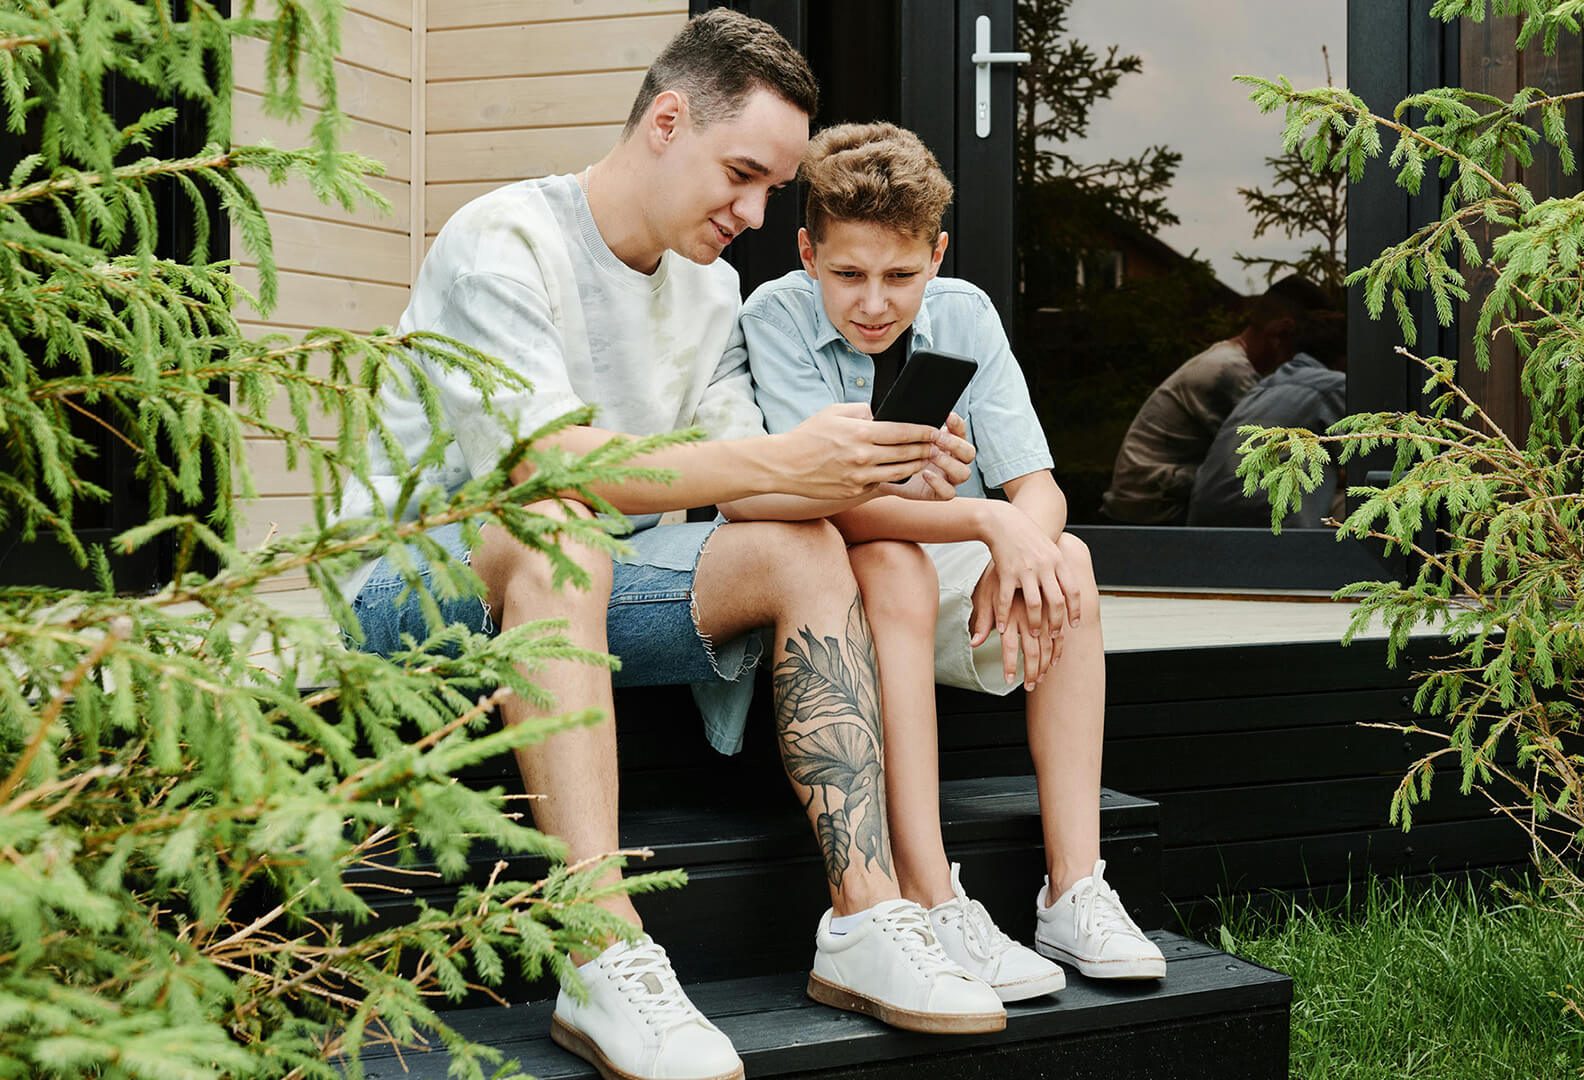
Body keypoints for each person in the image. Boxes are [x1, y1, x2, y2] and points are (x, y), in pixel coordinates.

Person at [337, 15, 1006, 1080]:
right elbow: (547, 465)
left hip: (601, 590)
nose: (749, 215)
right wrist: (782, 462)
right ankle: (601, 948)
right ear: (665, 120)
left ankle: (865, 919)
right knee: (556, 522)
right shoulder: (503, 238)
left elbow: (744, 463)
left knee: (800, 547)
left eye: (769, 191)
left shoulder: (707, 288)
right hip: (420, 593)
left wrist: (869, 469)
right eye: (740, 175)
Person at [736, 122, 1166, 1005]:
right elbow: (823, 501)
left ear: (935, 253)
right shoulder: (771, 319)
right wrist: (977, 517)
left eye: (900, 275)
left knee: (1069, 561)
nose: (872, 303)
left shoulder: (965, 312)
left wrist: (1022, 543)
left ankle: (1073, 887)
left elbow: (1036, 486)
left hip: (938, 582)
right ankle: (932, 895)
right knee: (896, 555)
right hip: (841, 596)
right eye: (847, 274)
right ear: (808, 250)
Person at [1101, 276, 1335, 524]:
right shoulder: (1230, 373)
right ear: (1281, 333)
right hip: (1151, 510)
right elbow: (1257, 455)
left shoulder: (1229, 362)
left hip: (1152, 500)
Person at [1185, 347, 1347, 529]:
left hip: (1205, 510)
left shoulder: (1268, 384)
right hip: (1270, 518)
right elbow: (1366, 459)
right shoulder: (1333, 385)